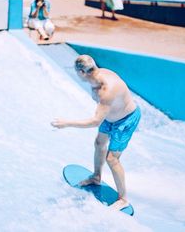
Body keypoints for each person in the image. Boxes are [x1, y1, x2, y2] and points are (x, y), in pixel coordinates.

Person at [51, 55, 141, 211]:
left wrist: (67, 123)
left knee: (112, 159)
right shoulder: (98, 75)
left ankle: (123, 199)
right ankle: (96, 177)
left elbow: (95, 121)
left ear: (82, 72)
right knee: (99, 143)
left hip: (125, 121)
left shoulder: (105, 91)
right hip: (111, 116)